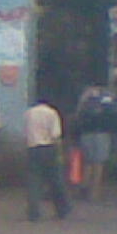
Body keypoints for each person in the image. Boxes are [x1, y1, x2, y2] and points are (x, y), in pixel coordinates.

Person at [73, 83, 117, 202]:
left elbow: (77, 119)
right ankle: (94, 192)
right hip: (102, 134)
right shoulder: (108, 101)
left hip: (86, 134)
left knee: (88, 162)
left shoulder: (84, 102)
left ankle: (84, 186)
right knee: (99, 164)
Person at [24, 91, 71, 221]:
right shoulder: (52, 113)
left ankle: (33, 211)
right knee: (55, 180)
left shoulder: (29, 113)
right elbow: (56, 135)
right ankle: (62, 208)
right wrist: (60, 153)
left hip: (32, 148)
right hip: (49, 149)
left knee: (34, 181)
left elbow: (26, 133)